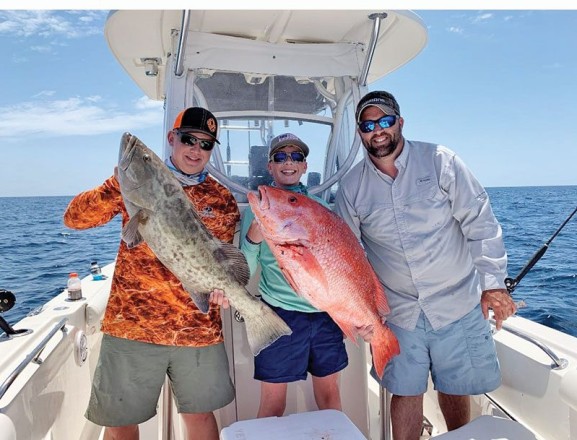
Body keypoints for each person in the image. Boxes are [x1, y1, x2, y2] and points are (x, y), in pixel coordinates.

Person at [334, 91, 517, 440]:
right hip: (398, 310)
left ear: (400, 122)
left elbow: (481, 222)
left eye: (385, 121)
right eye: (368, 125)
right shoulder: (352, 186)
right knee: (404, 390)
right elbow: (347, 254)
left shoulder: (441, 162)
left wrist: (492, 284)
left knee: (455, 385)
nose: (378, 131)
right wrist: (360, 312)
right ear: (360, 132)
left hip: (456, 301)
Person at [64, 107, 237, 440]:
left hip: (196, 329)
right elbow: (74, 219)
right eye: (188, 139)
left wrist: (221, 289)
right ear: (172, 139)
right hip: (133, 323)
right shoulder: (134, 184)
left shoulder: (222, 199)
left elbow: (220, 259)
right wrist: (116, 185)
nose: (195, 150)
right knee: (118, 422)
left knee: (201, 416)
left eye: (205, 144)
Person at [212, 133, 361, 418]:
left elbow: (337, 264)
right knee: (272, 404)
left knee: (330, 397)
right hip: (279, 314)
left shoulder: (323, 209)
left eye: (296, 157)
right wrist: (254, 239)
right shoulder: (257, 210)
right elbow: (247, 269)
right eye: (280, 157)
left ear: (305, 166)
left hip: (325, 315)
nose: (288, 162)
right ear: (270, 167)